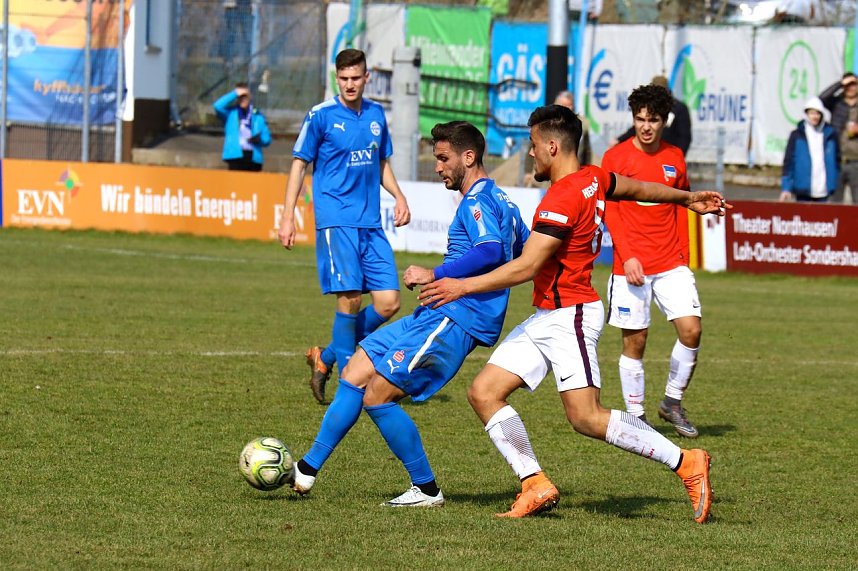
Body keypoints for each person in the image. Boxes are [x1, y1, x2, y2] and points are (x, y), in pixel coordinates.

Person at [418, 105, 728, 522]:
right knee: (485, 392)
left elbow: (526, 267)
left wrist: (461, 285)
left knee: (586, 417)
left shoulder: (559, 200)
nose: (530, 155)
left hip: (571, 315)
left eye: (532, 146)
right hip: (548, 313)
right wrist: (688, 198)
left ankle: (685, 461)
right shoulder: (593, 178)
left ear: (551, 145)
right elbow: (637, 188)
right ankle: (534, 483)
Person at [288, 121, 530, 507]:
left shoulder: (479, 200)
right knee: (355, 371)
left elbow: (489, 250)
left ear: (469, 157)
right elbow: (522, 249)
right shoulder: (505, 202)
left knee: (378, 396)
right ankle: (306, 470)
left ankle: (427, 489)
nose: (437, 167)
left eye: (443, 158)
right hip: (437, 310)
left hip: (456, 319)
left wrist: (435, 273)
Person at [277, 49, 411, 404]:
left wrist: (398, 195)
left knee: (389, 302)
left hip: (370, 223)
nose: (350, 84)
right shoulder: (320, 116)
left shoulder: (376, 115)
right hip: (337, 221)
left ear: (367, 78)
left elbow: (381, 161)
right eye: (344, 78)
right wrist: (288, 215)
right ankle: (350, 382)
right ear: (336, 78)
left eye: (356, 78)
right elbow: (298, 164)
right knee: (350, 298)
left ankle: (328, 358)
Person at [601, 83, 702, 437]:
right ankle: (636, 417)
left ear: (664, 121)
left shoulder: (675, 157)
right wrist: (626, 256)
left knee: (692, 330)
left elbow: (681, 201)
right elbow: (610, 211)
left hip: (670, 262)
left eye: (653, 120)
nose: (645, 126)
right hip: (631, 265)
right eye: (640, 118)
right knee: (636, 342)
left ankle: (672, 402)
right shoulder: (615, 158)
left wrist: (684, 257)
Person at [780, 97, 840, 203]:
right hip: (803, 189)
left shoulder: (830, 134)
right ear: (806, 114)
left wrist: (834, 182)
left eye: (818, 113)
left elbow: (836, 160)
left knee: (823, 219)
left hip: (823, 190)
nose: (815, 116)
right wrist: (786, 188)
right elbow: (788, 162)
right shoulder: (796, 135)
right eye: (812, 113)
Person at [615, 75, 692, 156]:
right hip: (648, 154)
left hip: (668, 153)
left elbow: (684, 137)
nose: (647, 127)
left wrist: (678, 155)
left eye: (654, 120)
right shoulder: (647, 107)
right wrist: (619, 140)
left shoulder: (679, 108)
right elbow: (637, 129)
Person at [213, 82, 272, 172]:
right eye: (240, 97)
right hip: (235, 156)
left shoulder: (257, 116)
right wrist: (235, 93)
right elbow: (217, 106)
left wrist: (259, 140)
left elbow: (267, 138)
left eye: (245, 97)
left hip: (253, 158)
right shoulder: (230, 113)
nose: (243, 99)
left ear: (250, 97)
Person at [820, 72, 858, 203]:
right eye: (848, 85)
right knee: (835, 201)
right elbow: (822, 98)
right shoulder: (837, 103)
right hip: (837, 159)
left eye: (853, 84)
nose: (851, 88)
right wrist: (840, 84)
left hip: (856, 161)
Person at [554, 90, 591, 165]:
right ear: (556, 104)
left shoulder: (582, 123)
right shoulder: (547, 121)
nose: (567, 108)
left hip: (575, 168)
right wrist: (528, 171)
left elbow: (586, 149)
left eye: (570, 105)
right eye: (564, 105)